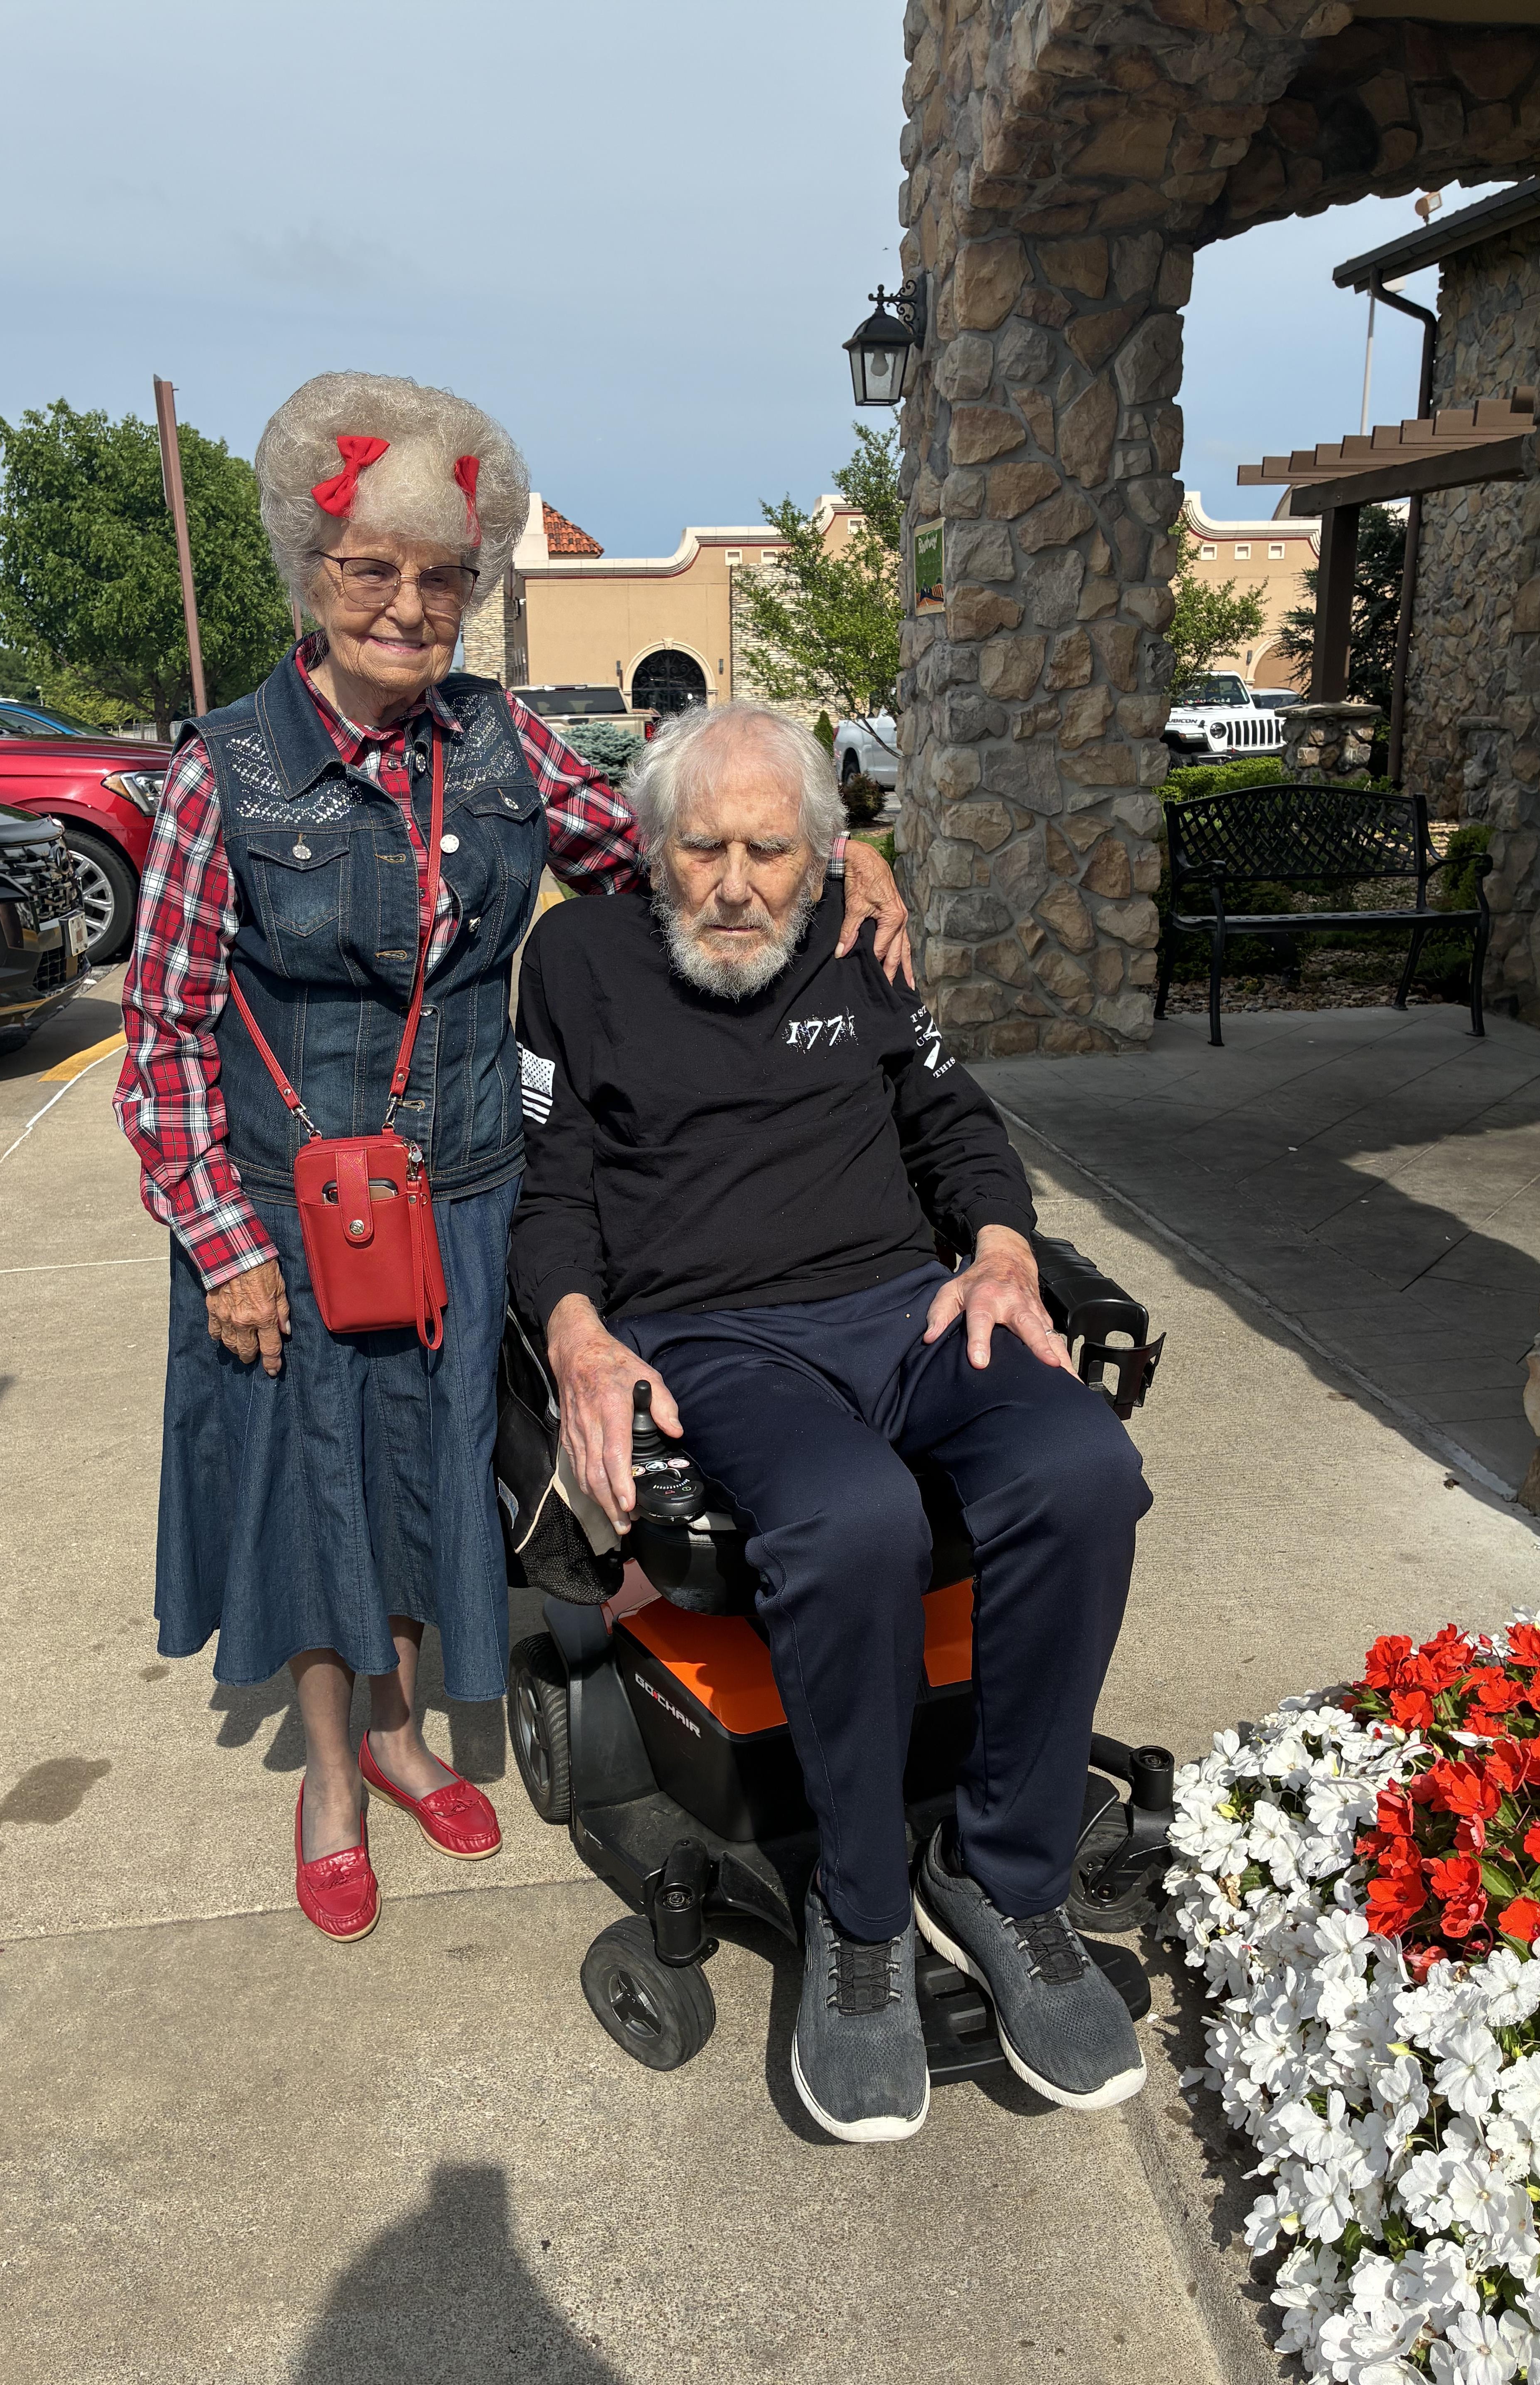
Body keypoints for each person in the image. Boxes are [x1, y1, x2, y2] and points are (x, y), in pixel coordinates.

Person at [114, 373, 913, 1944]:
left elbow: (664, 851)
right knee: (311, 1504)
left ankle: (409, 1735)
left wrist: (828, 851)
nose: (409, 608)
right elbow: (159, 1036)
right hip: (287, 1213)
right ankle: (336, 1776)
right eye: (373, 569)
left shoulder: (497, 745)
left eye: (441, 576)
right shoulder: (224, 774)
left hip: (468, 1200)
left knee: (424, 1489)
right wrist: (222, 1241)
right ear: (313, 571)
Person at [508, 701, 1153, 2141]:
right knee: (849, 1517)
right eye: (702, 849)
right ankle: (859, 1918)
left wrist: (997, 1244)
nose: (733, 885)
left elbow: (955, 1126)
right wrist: (576, 1336)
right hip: (714, 1339)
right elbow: (546, 1184)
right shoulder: (580, 963)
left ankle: (1004, 1876)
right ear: (645, 847)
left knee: (1081, 1467)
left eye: (767, 851)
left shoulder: (859, 949)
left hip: (902, 1309)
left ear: (822, 858)